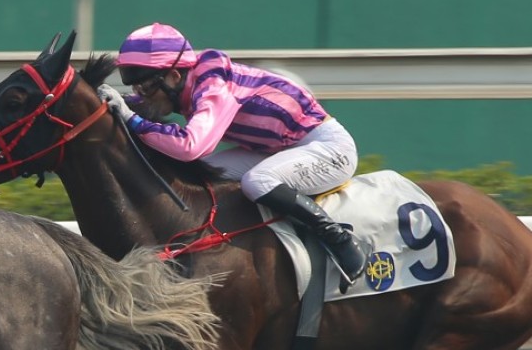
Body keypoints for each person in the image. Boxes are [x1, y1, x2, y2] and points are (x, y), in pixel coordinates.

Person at [97, 23, 368, 285]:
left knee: (257, 181)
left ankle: (339, 239)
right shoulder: (190, 79)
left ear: (174, 76)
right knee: (192, 174)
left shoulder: (214, 85)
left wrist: (131, 118)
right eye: (135, 89)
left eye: (146, 88)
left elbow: (190, 146)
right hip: (276, 150)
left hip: (327, 148)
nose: (142, 96)